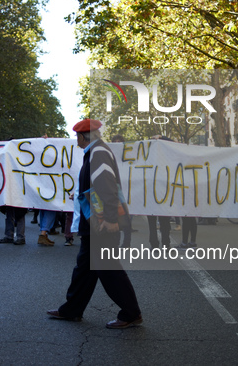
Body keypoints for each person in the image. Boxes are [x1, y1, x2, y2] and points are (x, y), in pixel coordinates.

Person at [47, 119, 142, 329]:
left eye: (77, 137)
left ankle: (131, 313)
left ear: (82, 137)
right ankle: (72, 309)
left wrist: (109, 219)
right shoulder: (97, 151)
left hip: (102, 224)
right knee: (84, 269)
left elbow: (107, 187)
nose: (76, 140)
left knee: (108, 270)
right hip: (95, 224)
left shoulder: (98, 153)